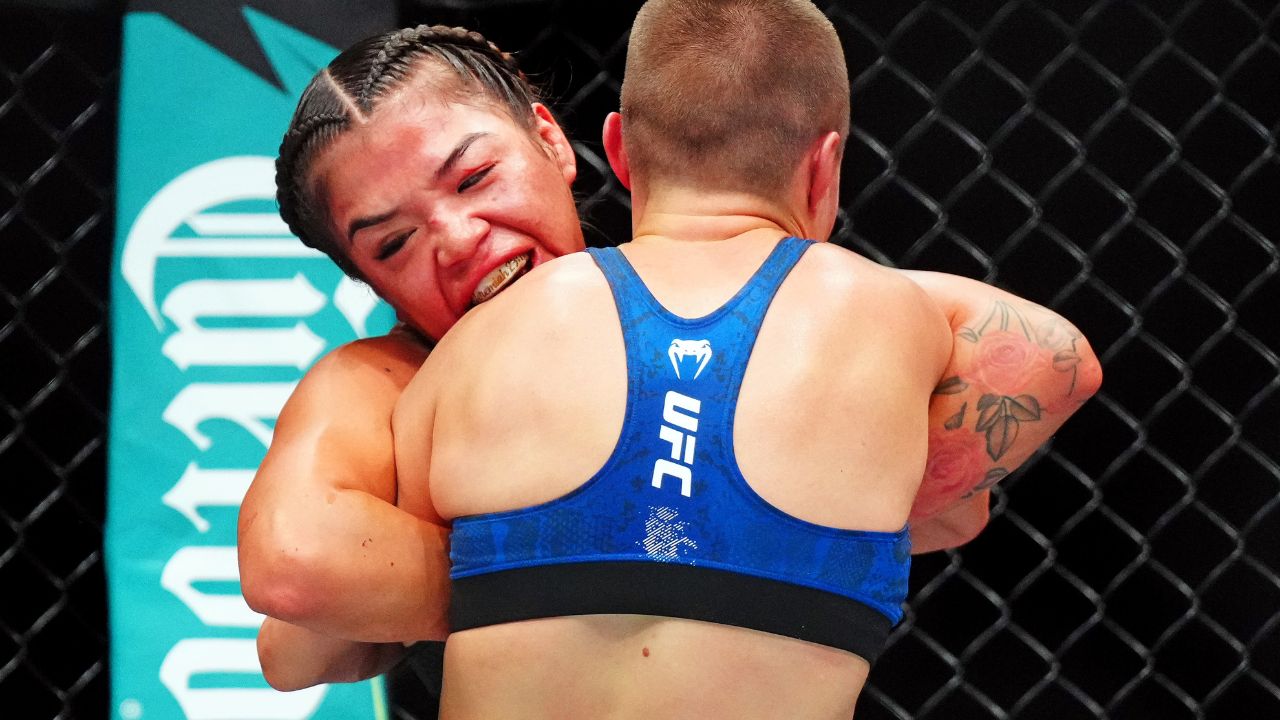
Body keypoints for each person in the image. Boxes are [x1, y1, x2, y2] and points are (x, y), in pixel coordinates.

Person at [237, 13, 1100, 700]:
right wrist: (600, 552)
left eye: (473, 180)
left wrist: (762, 514)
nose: (459, 239)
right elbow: (295, 602)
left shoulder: (779, 302)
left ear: (552, 141)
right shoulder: (381, 383)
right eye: (393, 242)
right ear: (365, 277)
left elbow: (1021, 389)